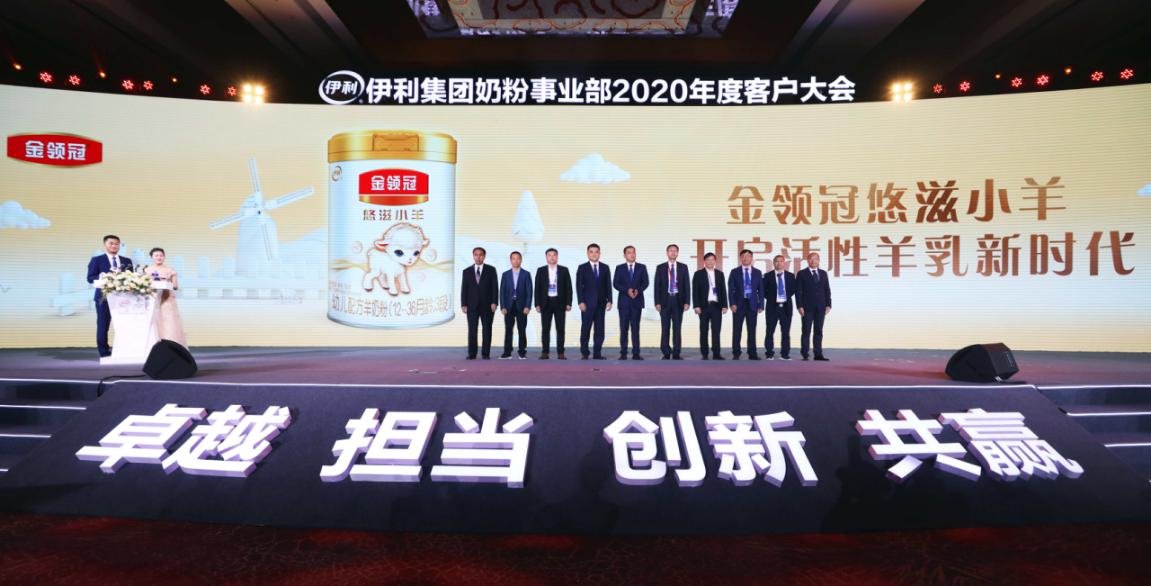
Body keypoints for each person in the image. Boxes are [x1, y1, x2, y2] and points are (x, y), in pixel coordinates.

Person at [85, 234, 134, 357]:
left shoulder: (126, 261)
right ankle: (104, 352)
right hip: (103, 297)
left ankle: (124, 349)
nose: (114, 246)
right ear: (105, 244)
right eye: (111, 243)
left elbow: (131, 278)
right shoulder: (97, 260)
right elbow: (90, 278)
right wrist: (102, 276)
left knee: (125, 325)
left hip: (124, 298)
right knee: (103, 324)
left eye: (116, 244)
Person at [142, 247, 187, 347]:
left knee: (169, 321)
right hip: (152, 298)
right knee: (153, 320)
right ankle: (153, 344)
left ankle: (170, 345)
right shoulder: (147, 270)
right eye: (156, 255)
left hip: (167, 298)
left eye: (161, 255)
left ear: (164, 257)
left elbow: (175, 286)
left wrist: (167, 282)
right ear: (151, 257)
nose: (159, 257)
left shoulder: (170, 270)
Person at [461, 247, 498, 360]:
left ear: (484, 256)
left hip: (487, 305)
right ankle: (472, 353)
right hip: (471, 305)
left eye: (481, 255)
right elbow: (464, 289)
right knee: (472, 330)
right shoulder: (466, 271)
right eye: (476, 255)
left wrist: (494, 302)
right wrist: (463, 304)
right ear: (473, 256)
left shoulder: (491, 270)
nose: (478, 257)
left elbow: (495, 287)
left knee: (487, 329)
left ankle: (485, 353)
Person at [576, 243, 612, 360]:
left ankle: (597, 353)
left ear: (599, 253)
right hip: (587, 304)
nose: (594, 254)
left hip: (601, 304)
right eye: (591, 252)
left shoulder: (605, 267)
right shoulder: (582, 268)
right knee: (585, 329)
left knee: (600, 330)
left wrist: (610, 300)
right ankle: (585, 353)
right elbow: (579, 286)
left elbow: (608, 285)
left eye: (596, 252)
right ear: (587, 253)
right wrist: (580, 301)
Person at [534, 248, 572, 359]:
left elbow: (568, 288)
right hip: (545, 302)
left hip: (560, 302)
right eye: (549, 255)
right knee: (545, 329)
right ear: (546, 257)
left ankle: (561, 353)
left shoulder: (564, 270)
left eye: (554, 255)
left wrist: (569, 303)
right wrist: (537, 304)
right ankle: (545, 352)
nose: (552, 257)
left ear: (557, 257)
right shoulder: (541, 270)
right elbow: (537, 288)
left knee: (560, 329)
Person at [654, 244, 690, 360]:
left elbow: (687, 285)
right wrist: (657, 302)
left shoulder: (683, 267)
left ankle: (676, 352)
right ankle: (666, 352)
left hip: (678, 300)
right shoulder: (660, 267)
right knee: (665, 327)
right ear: (667, 253)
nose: (673, 253)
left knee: (677, 328)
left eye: (675, 251)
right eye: (671, 251)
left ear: (677, 253)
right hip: (665, 300)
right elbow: (657, 286)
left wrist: (687, 301)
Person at [612, 245, 648, 360]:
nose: (632, 255)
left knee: (635, 329)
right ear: (624, 255)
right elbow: (616, 283)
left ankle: (636, 353)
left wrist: (638, 290)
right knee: (624, 329)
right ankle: (623, 353)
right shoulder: (619, 268)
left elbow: (645, 282)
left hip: (637, 302)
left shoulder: (642, 267)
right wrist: (626, 290)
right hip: (624, 303)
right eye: (629, 253)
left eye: (633, 252)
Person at [727, 249, 764, 360]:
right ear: (740, 258)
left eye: (748, 256)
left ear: (752, 258)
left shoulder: (757, 272)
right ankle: (736, 353)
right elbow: (731, 289)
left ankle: (752, 353)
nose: (746, 258)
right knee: (737, 329)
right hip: (739, 304)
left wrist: (761, 304)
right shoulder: (734, 272)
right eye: (743, 256)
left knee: (752, 330)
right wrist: (732, 303)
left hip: (752, 304)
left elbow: (761, 290)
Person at [796, 252, 832, 361]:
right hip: (807, 307)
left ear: (818, 260)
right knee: (806, 331)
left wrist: (828, 304)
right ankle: (805, 353)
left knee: (818, 331)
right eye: (811, 259)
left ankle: (818, 354)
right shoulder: (802, 273)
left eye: (815, 259)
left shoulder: (823, 273)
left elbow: (827, 289)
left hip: (821, 307)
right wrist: (799, 306)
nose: (813, 261)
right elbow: (798, 291)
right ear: (807, 260)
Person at [692, 252, 727, 360]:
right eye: (708, 260)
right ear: (704, 261)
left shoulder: (720, 274)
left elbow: (723, 290)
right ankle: (705, 353)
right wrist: (696, 306)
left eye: (712, 259)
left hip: (716, 306)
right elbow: (695, 291)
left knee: (716, 331)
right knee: (704, 331)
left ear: (715, 261)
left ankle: (716, 353)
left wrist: (725, 305)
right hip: (703, 306)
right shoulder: (698, 274)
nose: (710, 262)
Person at [499, 251, 533, 359]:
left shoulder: (526, 274)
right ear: (510, 260)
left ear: (521, 260)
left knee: (522, 329)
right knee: (508, 329)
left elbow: (529, 292)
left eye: (518, 258)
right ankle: (507, 352)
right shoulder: (505, 275)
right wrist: (503, 306)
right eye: (513, 258)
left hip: (522, 306)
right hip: (508, 306)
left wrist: (528, 306)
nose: (516, 260)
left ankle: (522, 352)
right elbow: (502, 292)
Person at [763, 254, 796, 361]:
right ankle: (769, 354)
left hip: (786, 307)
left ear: (784, 263)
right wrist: (773, 298)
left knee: (786, 332)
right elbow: (764, 291)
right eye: (777, 261)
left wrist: (784, 297)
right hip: (772, 307)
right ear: (773, 263)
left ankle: (785, 354)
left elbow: (793, 290)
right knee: (769, 331)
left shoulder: (791, 276)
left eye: (781, 261)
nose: (779, 263)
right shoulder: (767, 276)